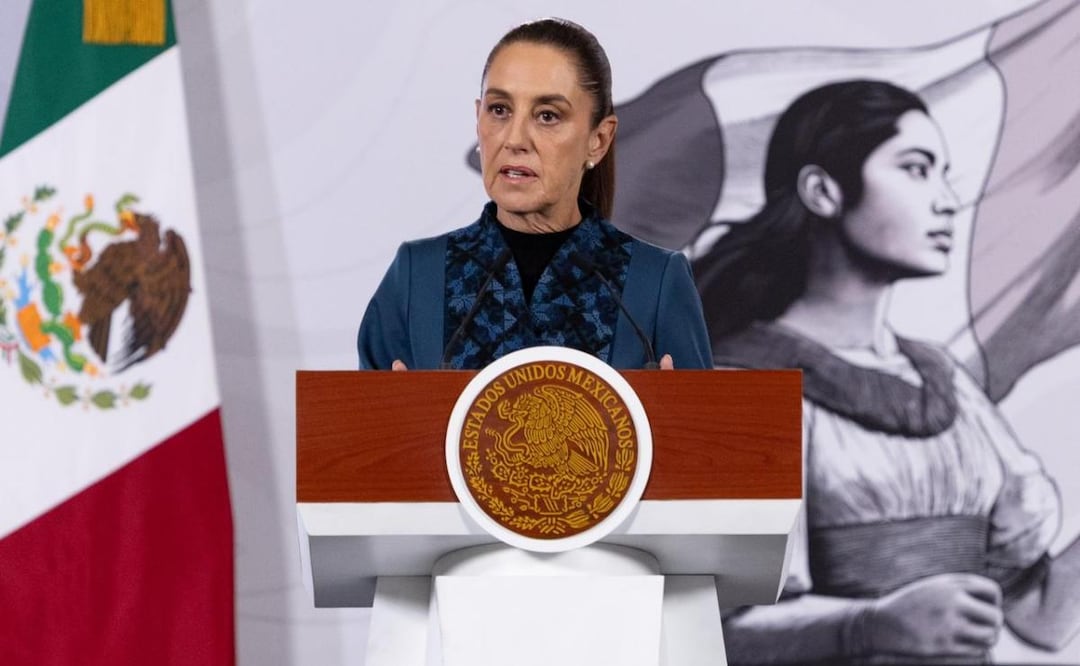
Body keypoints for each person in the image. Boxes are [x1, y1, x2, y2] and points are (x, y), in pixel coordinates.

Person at [693, 80, 1080, 664]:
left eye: (943, 172)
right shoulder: (733, 386)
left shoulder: (943, 380)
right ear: (823, 191)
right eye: (917, 169)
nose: (947, 200)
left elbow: (1041, 617)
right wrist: (869, 627)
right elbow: (705, 632)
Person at [358, 18, 711, 371]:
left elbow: (705, 425)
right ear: (477, 118)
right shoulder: (418, 277)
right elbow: (364, 424)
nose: (514, 139)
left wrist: (675, 421)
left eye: (547, 115)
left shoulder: (655, 283)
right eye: (499, 110)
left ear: (598, 140)